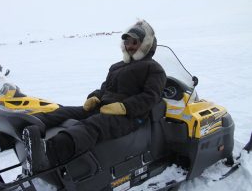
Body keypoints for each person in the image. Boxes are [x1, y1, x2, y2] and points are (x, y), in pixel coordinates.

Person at [22, 20, 167, 175]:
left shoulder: (154, 69)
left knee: (93, 125)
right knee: (65, 111)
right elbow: (105, 88)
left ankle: (48, 154)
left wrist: (124, 107)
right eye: (127, 41)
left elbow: (150, 97)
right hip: (105, 107)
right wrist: (95, 97)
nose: (129, 46)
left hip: (130, 117)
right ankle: (22, 126)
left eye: (134, 42)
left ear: (145, 45)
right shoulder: (117, 66)